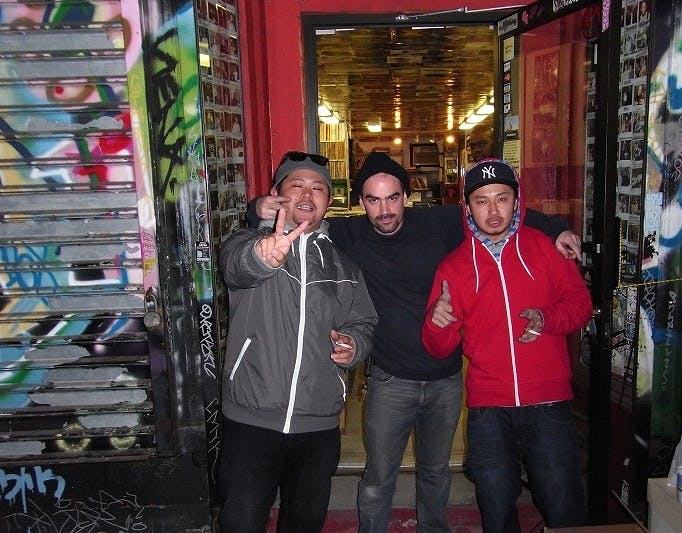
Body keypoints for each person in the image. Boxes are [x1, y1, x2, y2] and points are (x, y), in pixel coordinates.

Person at [247, 151, 582, 533]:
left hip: (446, 378)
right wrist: (257, 208)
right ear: (361, 203)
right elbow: (298, 222)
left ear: (406, 196)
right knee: (378, 477)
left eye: (392, 197)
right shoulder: (348, 232)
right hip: (390, 380)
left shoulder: (438, 222)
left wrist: (556, 228)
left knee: (436, 474)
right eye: (373, 200)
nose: (384, 210)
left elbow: (495, 207)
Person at [421, 158, 592, 531]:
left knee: (563, 506)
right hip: (489, 408)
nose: (493, 210)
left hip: (549, 402)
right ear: (468, 207)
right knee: (496, 509)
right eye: (481, 201)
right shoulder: (454, 266)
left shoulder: (544, 248)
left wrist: (546, 319)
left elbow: (580, 305)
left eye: (502, 198)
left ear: (517, 200)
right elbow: (438, 347)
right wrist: (437, 321)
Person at [218, 151, 378, 533]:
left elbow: (365, 321)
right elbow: (237, 267)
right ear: (277, 195)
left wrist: (354, 344)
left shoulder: (343, 265)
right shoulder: (247, 241)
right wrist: (262, 257)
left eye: (317, 188)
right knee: (240, 522)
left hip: (317, 424)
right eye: (297, 185)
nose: (307, 195)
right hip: (251, 419)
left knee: (305, 523)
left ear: (328, 201)